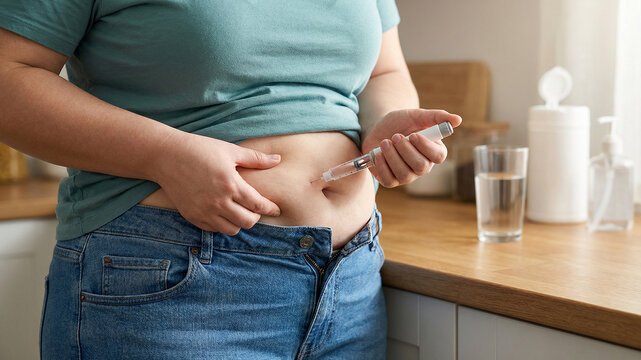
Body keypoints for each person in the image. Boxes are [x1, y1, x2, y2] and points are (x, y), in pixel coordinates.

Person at [0, 1, 461, 359]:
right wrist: (163, 155)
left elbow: (384, 70)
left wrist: (389, 123)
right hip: (171, 280)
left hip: (351, 279)